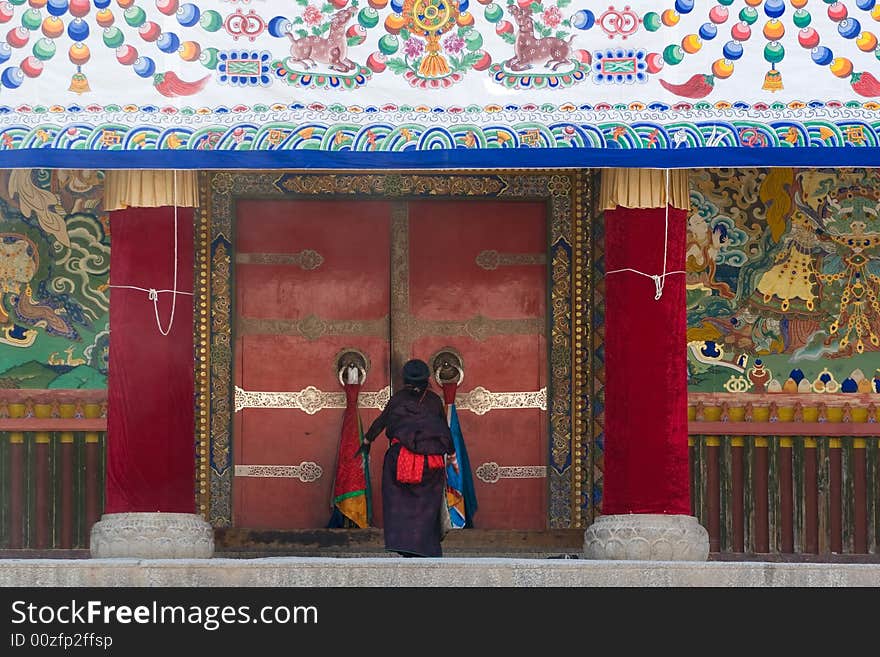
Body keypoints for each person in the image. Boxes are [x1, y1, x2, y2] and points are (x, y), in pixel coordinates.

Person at [359, 358, 457, 557]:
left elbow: (380, 422)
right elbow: (444, 431)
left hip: (399, 460)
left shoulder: (398, 400)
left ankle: (404, 546)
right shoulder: (434, 401)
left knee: (400, 504)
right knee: (426, 507)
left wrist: (367, 442)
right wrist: (453, 456)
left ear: (405, 379)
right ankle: (425, 548)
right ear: (427, 379)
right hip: (430, 463)